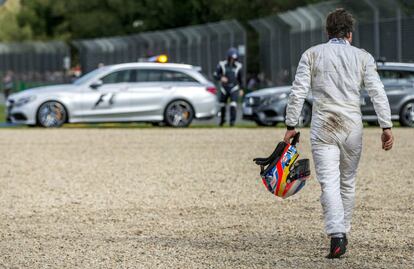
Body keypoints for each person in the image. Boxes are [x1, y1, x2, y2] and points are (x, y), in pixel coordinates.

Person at [283, 8, 394, 259]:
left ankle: (337, 234)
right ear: (350, 34)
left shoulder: (312, 54)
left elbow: (297, 92)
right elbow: (378, 92)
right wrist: (386, 126)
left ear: (327, 32)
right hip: (352, 125)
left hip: (324, 125)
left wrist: (291, 125)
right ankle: (344, 230)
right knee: (348, 181)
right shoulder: (363, 57)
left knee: (329, 183)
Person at [214, 48, 243, 126]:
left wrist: (241, 89)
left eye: (234, 58)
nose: (232, 60)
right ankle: (222, 120)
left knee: (233, 104)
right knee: (222, 105)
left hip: (234, 87)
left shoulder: (238, 66)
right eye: (231, 58)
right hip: (224, 88)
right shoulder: (222, 64)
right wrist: (221, 78)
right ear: (228, 57)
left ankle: (232, 122)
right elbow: (215, 75)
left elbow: (240, 79)